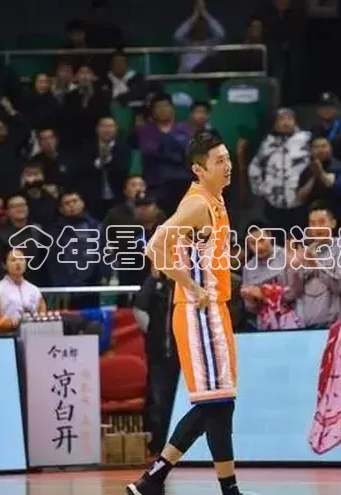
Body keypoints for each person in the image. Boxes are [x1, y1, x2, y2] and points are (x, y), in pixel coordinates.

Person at [128, 132, 241, 495]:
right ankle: (226, 490)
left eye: (228, 158)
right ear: (198, 169)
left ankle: (154, 479)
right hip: (199, 313)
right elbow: (154, 246)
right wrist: (191, 286)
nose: (228, 166)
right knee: (217, 404)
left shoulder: (215, 199)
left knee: (219, 403)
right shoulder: (196, 204)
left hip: (213, 310)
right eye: (219, 161)